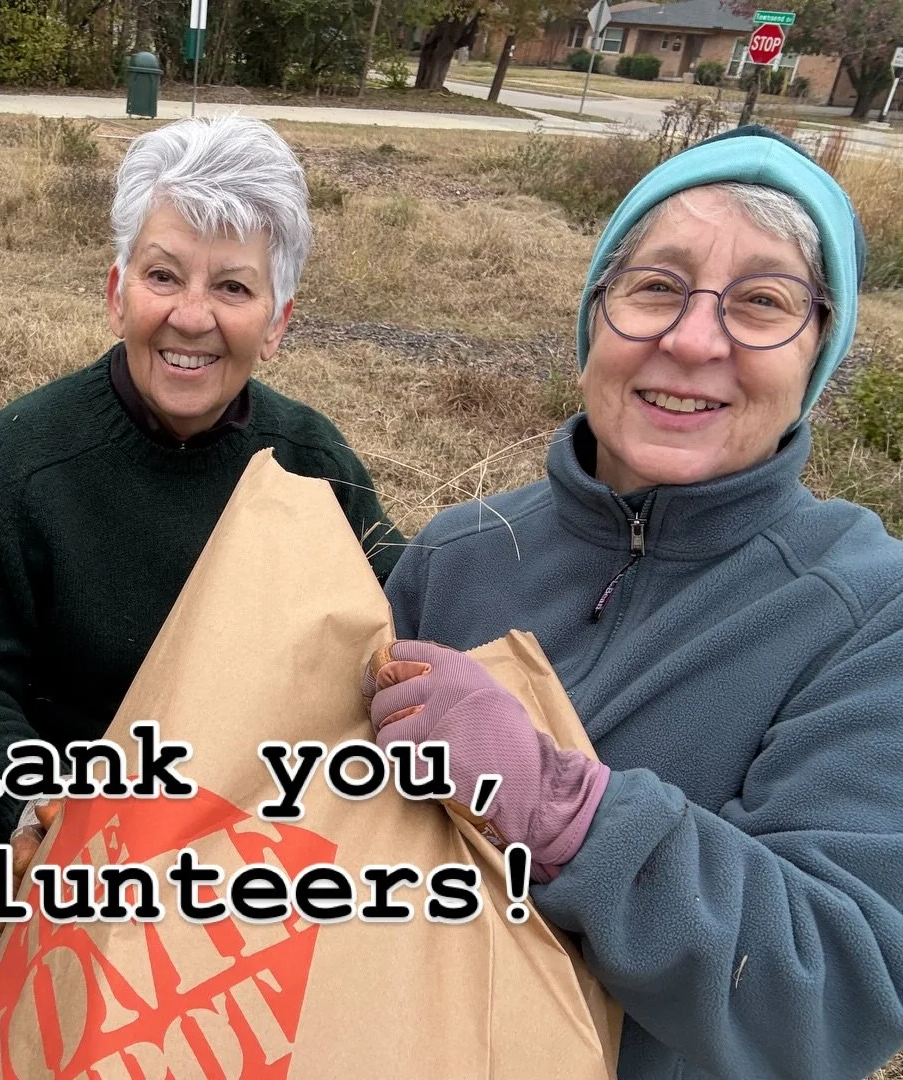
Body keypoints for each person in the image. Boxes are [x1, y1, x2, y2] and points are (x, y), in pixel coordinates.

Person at [370, 126, 903, 1079]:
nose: (694, 339)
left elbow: (842, 989)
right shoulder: (457, 554)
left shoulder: (868, 615)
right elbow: (302, 818)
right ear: (594, 319)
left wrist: (568, 813)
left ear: (819, 355)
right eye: (656, 286)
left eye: (764, 302)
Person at [0, 114, 404, 908]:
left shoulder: (312, 465)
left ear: (277, 323)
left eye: (232, 286)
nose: (192, 316)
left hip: (265, 876)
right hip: (74, 881)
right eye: (164, 276)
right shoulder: (25, 458)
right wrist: (27, 810)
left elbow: (393, 636)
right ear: (116, 292)